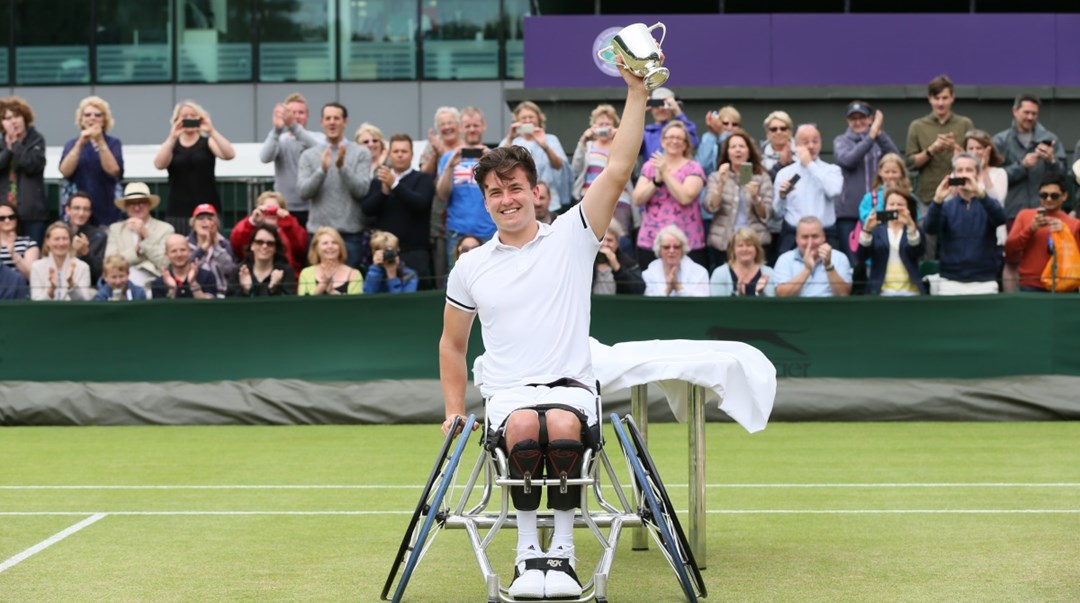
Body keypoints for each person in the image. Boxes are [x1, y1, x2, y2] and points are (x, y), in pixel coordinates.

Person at [439, 58, 647, 600]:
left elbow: (619, 167)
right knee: (528, 435)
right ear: (484, 201)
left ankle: (564, 553)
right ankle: (528, 554)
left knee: (558, 424)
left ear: (536, 191)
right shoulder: (470, 266)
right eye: (494, 193)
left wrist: (636, 90)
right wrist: (454, 409)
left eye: (514, 188)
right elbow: (452, 342)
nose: (505, 199)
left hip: (572, 388)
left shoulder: (574, 234)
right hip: (507, 394)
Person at [297, 102, 373, 269]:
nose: (332, 122)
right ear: (321, 122)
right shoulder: (309, 155)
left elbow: (361, 191)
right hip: (319, 235)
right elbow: (303, 192)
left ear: (345, 121)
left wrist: (342, 167)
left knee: (349, 289)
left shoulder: (361, 153)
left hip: (350, 234)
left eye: (336, 118)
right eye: (328, 118)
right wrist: (322, 171)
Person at [925, 153, 1006, 295]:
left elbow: (1000, 218)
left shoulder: (987, 202)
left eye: (969, 170)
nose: (964, 175)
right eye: (960, 170)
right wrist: (937, 200)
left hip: (984, 281)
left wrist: (980, 193)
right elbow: (930, 227)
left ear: (977, 174)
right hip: (950, 281)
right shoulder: (947, 206)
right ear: (954, 174)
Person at [361, 133, 435, 288]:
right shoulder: (379, 181)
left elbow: (420, 203)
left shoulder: (423, 179)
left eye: (404, 151)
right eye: (396, 151)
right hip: (384, 252)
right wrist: (383, 192)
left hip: (416, 252)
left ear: (412, 155)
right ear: (389, 154)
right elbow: (367, 210)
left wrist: (395, 185)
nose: (400, 155)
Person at [152, 100, 235, 234]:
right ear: (176, 120)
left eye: (193, 116)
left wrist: (211, 130)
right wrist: (172, 136)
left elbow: (229, 154)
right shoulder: (171, 145)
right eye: (184, 116)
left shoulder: (208, 142)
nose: (189, 119)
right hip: (178, 210)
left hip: (207, 208)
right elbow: (159, 164)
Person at [631, 120, 706, 267]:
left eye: (679, 138)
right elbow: (637, 199)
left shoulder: (693, 168)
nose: (674, 141)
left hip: (687, 239)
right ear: (663, 141)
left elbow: (685, 197)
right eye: (670, 137)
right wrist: (656, 182)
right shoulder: (650, 166)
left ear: (686, 144)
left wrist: (665, 173)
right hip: (651, 239)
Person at [834, 101, 901, 264]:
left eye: (862, 118)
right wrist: (871, 136)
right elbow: (849, 160)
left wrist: (878, 133)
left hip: (877, 212)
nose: (858, 122)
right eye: (853, 118)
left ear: (870, 119)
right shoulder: (841, 141)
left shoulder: (878, 139)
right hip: (849, 215)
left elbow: (896, 158)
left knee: (878, 259)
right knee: (854, 262)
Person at [705, 128, 773, 269]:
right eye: (733, 147)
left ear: (749, 152)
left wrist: (756, 197)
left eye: (742, 146)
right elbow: (710, 207)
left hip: (754, 241)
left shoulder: (761, 177)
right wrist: (721, 185)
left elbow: (766, 214)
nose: (738, 150)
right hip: (724, 242)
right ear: (727, 153)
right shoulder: (716, 176)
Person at [993, 94, 1066, 223]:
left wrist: (1051, 160)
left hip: (1045, 211)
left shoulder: (1050, 139)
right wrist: (1022, 166)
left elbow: (1063, 176)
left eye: (1034, 113)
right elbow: (994, 178)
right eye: (1026, 113)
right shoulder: (1000, 141)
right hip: (1012, 213)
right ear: (1015, 111)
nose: (1030, 117)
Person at [437, 106, 493, 270]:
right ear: (461, 128)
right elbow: (441, 194)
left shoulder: (495, 155)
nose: (472, 129)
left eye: (476, 125)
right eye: (468, 126)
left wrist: (490, 161)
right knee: (456, 283)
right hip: (457, 231)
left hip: (489, 231)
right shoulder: (449, 157)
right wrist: (449, 167)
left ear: (484, 126)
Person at [905, 75, 973, 210]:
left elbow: (974, 160)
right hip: (928, 196)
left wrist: (956, 148)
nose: (941, 103)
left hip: (959, 194)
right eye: (937, 98)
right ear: (930, 98)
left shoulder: (965, 124)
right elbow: (910, 163)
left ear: (952, 98)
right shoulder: (918, 126)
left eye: (945, 98)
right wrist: (931, 150)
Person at [773, 124, 844, 254]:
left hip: (826, 234)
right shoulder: (784, 173)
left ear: (821, 143)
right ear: (795, 145)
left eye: (815, 141)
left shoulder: (831, 170)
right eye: (805, 142)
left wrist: (810, 164)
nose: (811, 146)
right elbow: (777, 214)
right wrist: (782, 197)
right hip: (792, 235)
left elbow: (833, 190)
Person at [1004, 174, 1080, 292]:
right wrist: (1030, 229)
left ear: (1064, 196)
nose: (1048, 199)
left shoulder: (1074, 223)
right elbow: (1009, 250)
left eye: (1054, 196)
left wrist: (1065, 234)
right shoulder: (1025, 215)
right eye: (1044, 195)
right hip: (1030, 285)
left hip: (1063, 285)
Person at [259, 93, 323, 227]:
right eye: (292, 112)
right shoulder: (279, 139)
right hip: (285, 208)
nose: (297, 116)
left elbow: (319, 152)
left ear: (308, 116)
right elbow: (265, 157)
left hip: (313, 207)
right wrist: (276, 130)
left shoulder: (317, 137)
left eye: (301, 112)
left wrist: (294, 127)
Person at [58, 96, 125, 225]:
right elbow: (65, 171)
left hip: (106, 209)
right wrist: (80, 144)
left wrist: (100, 141)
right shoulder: (71, 144)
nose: (92, 118)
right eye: (87, 115)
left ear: (104, 120)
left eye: (97, 115)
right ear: (81, 119)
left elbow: (113, 170)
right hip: (78, 211)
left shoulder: (113, 143)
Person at [571, 104, 632, 234]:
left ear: (614, 126)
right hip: (591, 199)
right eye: (600, 124)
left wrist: (621, 138)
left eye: (607, 124)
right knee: (587, 235)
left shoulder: (620, 145)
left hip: (619, 201)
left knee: (619, 237)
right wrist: (582, 140)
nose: (604, 127)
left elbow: (632, 166)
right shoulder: (588, 146)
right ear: (593, 127)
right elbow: (575, 168)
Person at [963, 129, 1012, 288]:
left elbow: (997, 200)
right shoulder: (959, 173)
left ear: (987, 150)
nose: (974, 152)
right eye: (970, 148)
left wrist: (982, 171)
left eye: (979, 148)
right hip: (966, 234)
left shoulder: (999, 173)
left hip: (993, 237)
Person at [856, 188, 926, 296]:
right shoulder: (876, 231)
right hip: (882, 292)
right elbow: (862, 256)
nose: (895, 208)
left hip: (911, 292)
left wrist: (911, 226)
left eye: (900, 204)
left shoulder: (915, 230)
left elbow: (918, 252)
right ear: (885, 207)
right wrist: (867, 230)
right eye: (891, 204)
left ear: (908, 208)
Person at [105, 182, 175, 288]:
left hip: (155, 283)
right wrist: (136, 251)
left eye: (141, 203)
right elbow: (110, 263)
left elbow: (166, 263)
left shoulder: (165, 229)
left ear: (149, 205)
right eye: (132, 203)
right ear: (126, 207)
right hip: (121, 283)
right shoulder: (115, 229)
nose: (137, 207)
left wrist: (146, 237)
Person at [502, 101, 569, 211]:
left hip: (548, 202)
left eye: (531, 117)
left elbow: (559, 166)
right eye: (524, 118)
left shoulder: (550, 139)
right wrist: (510, 137)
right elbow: (499, 163)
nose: (528, 120)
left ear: (538, 119)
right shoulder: (512, 141)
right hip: (521, 199)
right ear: (517, 121)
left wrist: (545, 146)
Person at [0, 96, 48, 245]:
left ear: (25, 118)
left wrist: (15, 144)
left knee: (31, 259)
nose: (13, 121)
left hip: (32, 215)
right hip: (4, 215)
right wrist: (7, 150)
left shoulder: (37, 140)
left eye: (17, 116)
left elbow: (32, 165)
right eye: (7, 118)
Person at [230, 190, 307, 275]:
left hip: (287, 277)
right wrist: (251, 222)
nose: (271, 212)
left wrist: (288, 222)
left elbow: (302, 248)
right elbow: (237, 245)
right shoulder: (252, 228)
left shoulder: (289, 228)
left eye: (275, 209)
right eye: (267, 209)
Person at [774, 216, 853, 298]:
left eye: (815, 236)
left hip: (829, 308)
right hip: (796, 309)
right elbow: (782, 295)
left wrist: (829, 266)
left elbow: (844, 294)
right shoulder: (785, 259)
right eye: (805, 237)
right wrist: (807, 270)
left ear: (823, 237)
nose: (810, 242)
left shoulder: (840, 258)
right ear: (797, 239)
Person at [29, 222, 93, 301]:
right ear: (47, 241)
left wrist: (71, 284)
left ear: (70, 241)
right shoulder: (37, 267)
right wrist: (51, 289)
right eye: (57, 239)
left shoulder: (83, 267)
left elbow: (85, 302)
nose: (61, 243)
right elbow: (35, 302)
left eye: (65, 238)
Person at [227, 225, 296, 297]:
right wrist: (245, 291)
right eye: (259, 242)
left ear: (275, 248)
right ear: (252, 246)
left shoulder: (285, 272)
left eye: (270, 243)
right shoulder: (239, 271)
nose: (264, 246)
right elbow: (230, 304)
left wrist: (274, 289)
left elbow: (290, 305)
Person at [642, 224, 709, 297]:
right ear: (659, 250)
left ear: (682, 249)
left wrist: (678, 287)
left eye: (676, 247)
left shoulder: (700, 273)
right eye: (666, 247)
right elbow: (649, 305)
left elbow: (701, 305)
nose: (671, 250)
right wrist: (668, 291)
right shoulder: (648, 275)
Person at [709, 227, 777, 297]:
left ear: (756, 249)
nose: (744, 249)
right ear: (733, 250)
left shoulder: (768, 273)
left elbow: (772, 306)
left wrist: (760, 293)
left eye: (749, 245)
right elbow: (717, 306)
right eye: (740, 246)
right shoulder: (720, 273)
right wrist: (738, 295)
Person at [297, 226, 363, 295]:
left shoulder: (354, 274)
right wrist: (322, 285)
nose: (330, 246)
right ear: (316, 248)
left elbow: (355, 305)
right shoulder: (306, 273)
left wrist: (334, 293)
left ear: (340, 246)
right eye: (325, 243)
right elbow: (303, 304)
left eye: (334, 243)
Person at [149, 234, 218, 300]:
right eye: (174, 251)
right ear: (166, 255)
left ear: (190, 252)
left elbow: (208, 308)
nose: (179, 254)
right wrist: (172, 290)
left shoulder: (207, 276)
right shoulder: (158, 283)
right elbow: (162, 310)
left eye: (183, 250)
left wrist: (193, 284)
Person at [187, 203, 235, 297]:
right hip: (192, 293)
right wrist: (202, 249)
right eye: (201, 218)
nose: (205, 222)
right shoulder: (185, 243)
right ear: (193, 223)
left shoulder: (224, 244)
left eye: (210, 218)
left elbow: (229, 270)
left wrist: (215, 245)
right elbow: (185, 267)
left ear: (216, 224)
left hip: (220, 294)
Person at [857, 153, 917, 226]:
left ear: (901, 173)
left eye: (894, 172)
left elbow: (916, 219)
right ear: (880, 172)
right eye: (887, 172)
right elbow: (866, 220)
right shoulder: (869, 198)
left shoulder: (909, 196)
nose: (890, 176)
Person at [641, 86, 698, 161]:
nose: (661, 108)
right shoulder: (647, 133)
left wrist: (678, 111)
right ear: (651, 107)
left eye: (665, 104)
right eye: (656, 104)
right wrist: (639, 112)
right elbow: (630, 147)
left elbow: (693, 142)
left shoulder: (680, 130)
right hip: (652, 171)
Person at [64, 191, 108, 285]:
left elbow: (100, 274)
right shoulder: (59, 233)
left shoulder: (100, 236)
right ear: (67, 210)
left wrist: (86, 253)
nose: (81, 213)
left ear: (90, 213)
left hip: (89, 286)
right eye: (76, 208)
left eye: (86, 209)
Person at [592, 220, 644, 295]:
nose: (605, 244)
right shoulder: (586, 261)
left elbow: (639, 290)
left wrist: (617, 268)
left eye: (610, 240)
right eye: (602, 239)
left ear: (617, 244)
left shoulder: (629, 264)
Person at [695, 105, 741, 179]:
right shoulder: (709, 137)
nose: (730, 128)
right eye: (725, 123)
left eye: (734, 124)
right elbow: (701, 165)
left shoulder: (744, 143)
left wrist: (722, 134)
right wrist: (711, 132)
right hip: (712, 185)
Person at [419, 106, 464, 177]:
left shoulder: (467, 144)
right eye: (442, 124)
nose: (447, 127)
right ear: (438, 128)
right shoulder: (432, 145)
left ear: (459, 125)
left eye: (450, 123)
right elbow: (424, 175)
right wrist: (435, 155)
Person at [0, 200, 39, 279]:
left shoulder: (28, 243)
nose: (7, 220)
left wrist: (13, 253)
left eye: (11, 217)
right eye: (2, 218)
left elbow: (31, 275)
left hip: (20, 288)